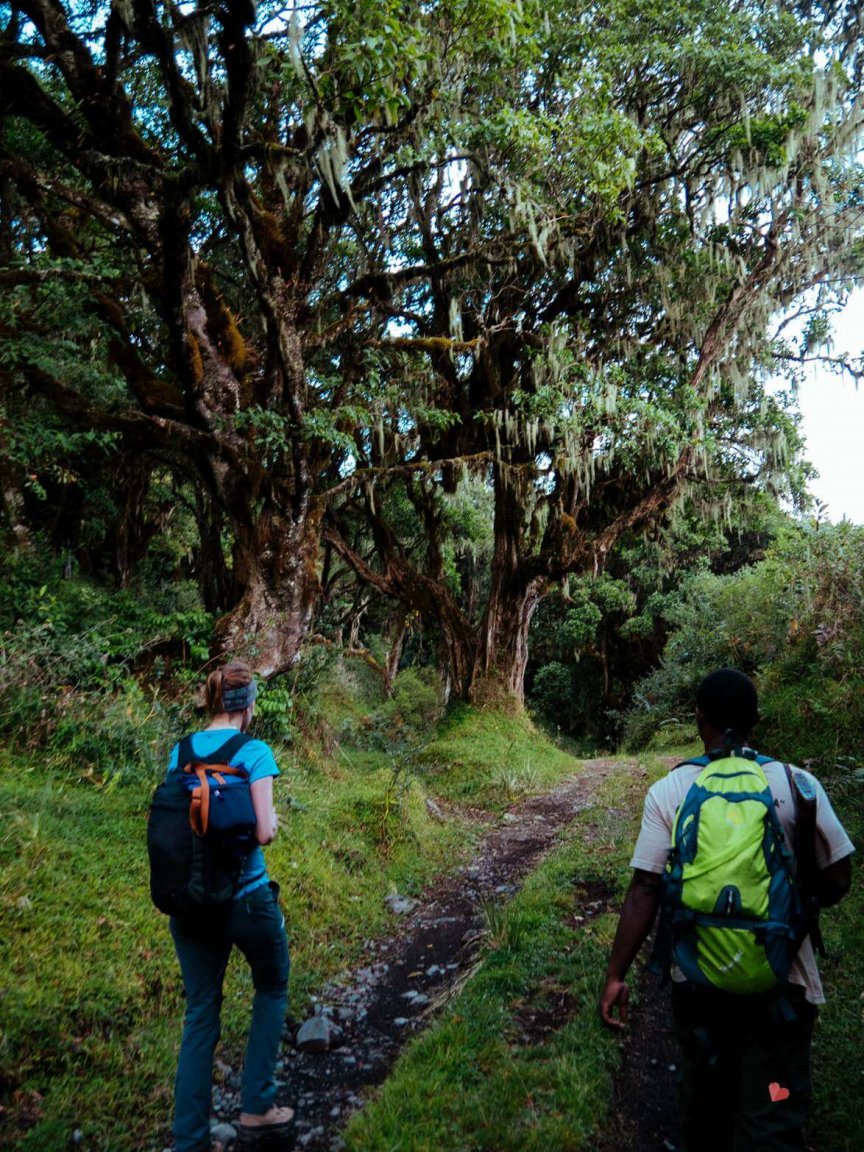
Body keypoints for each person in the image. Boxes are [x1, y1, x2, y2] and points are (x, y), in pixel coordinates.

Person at [600, 667, 854, 1151]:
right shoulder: (798, 785)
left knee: (706, 1111)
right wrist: (794, 908)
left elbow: (645, 890)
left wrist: (616, 975)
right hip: (785, 987)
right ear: (756, 720)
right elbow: (840, 876)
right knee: (774, 1113)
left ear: (699, 719)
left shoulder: (670, 791)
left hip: (698, 986)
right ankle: (773, 1109)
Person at [167, 661, 294, 1152]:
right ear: (248, 706)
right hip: (246, 898)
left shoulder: (178, 752)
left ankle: (189, 1141)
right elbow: (263, 831)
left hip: (190, 905)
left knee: (200, 1012)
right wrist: (273, 823)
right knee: (272, 984)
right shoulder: (253, 752)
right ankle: (258, 1107)